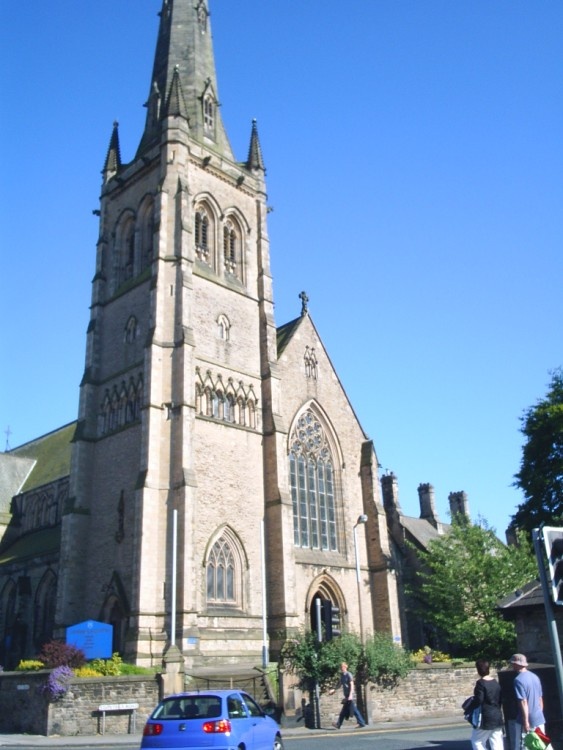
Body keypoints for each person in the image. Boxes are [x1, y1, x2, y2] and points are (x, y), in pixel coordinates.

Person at [465, 658, 504, 750]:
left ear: (478, 670)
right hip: (497, 715)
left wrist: (470, 705)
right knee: (497, 741)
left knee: (477, 741)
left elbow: (479, 700)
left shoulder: (480, 683)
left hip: (485, 717)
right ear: (488, 668)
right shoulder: (495, 682)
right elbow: (500, 699)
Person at [510, 653, 545, 750]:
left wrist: (526, 721)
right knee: (540, 746)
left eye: (513, 663)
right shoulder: (535, 677)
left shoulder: (518, 680)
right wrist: (539, 713)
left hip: (526, 719)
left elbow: (523, 701)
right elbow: (540, 698)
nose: (512, 665)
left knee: (522, 746)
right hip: (539, 717)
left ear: (517, 664)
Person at [331, 662, 366, 728]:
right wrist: (334, 689)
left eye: (343, 667)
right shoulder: (342, 675)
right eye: (341, 667)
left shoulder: (349, 674)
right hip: (347, 696)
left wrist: (350, 695)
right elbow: (339, 684)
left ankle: (361, 723)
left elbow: (352, 685)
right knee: (349, 711)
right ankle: (361, 723)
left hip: (350, 696)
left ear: (346, 667)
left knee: (352, 711)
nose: (342, 668)